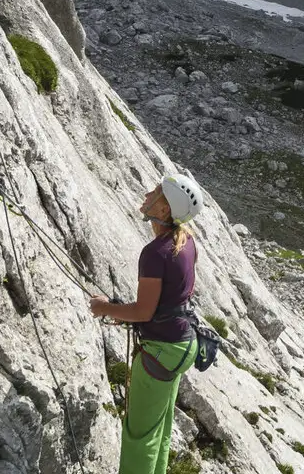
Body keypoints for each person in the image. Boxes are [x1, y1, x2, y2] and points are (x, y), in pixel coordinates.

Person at [89, 174, 206, 474]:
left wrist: (104, 308)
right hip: (182, 344)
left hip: (162, 350)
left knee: (139, 436)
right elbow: (164, 300)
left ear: (164, 210)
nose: (147, 194)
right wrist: (118, 308)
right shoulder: (186, 241)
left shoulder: (155, 253)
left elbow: (143, 311)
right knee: (159, 431)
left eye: (155, 192)